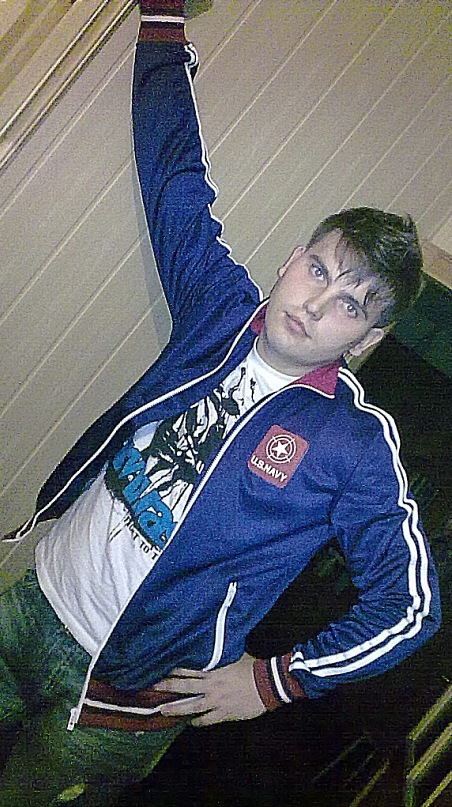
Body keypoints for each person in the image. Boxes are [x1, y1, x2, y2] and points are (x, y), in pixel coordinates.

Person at [0, 1, 441, 804]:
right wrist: (162, 18)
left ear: (366, 338)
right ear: (290, 261)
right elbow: (172, 175)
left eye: (350, 305)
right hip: (32, 601)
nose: (317, 303)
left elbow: (410, 605)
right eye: (319, 270)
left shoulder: (352, 441)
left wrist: (275, 681)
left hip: (113, 711)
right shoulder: (219, 309)